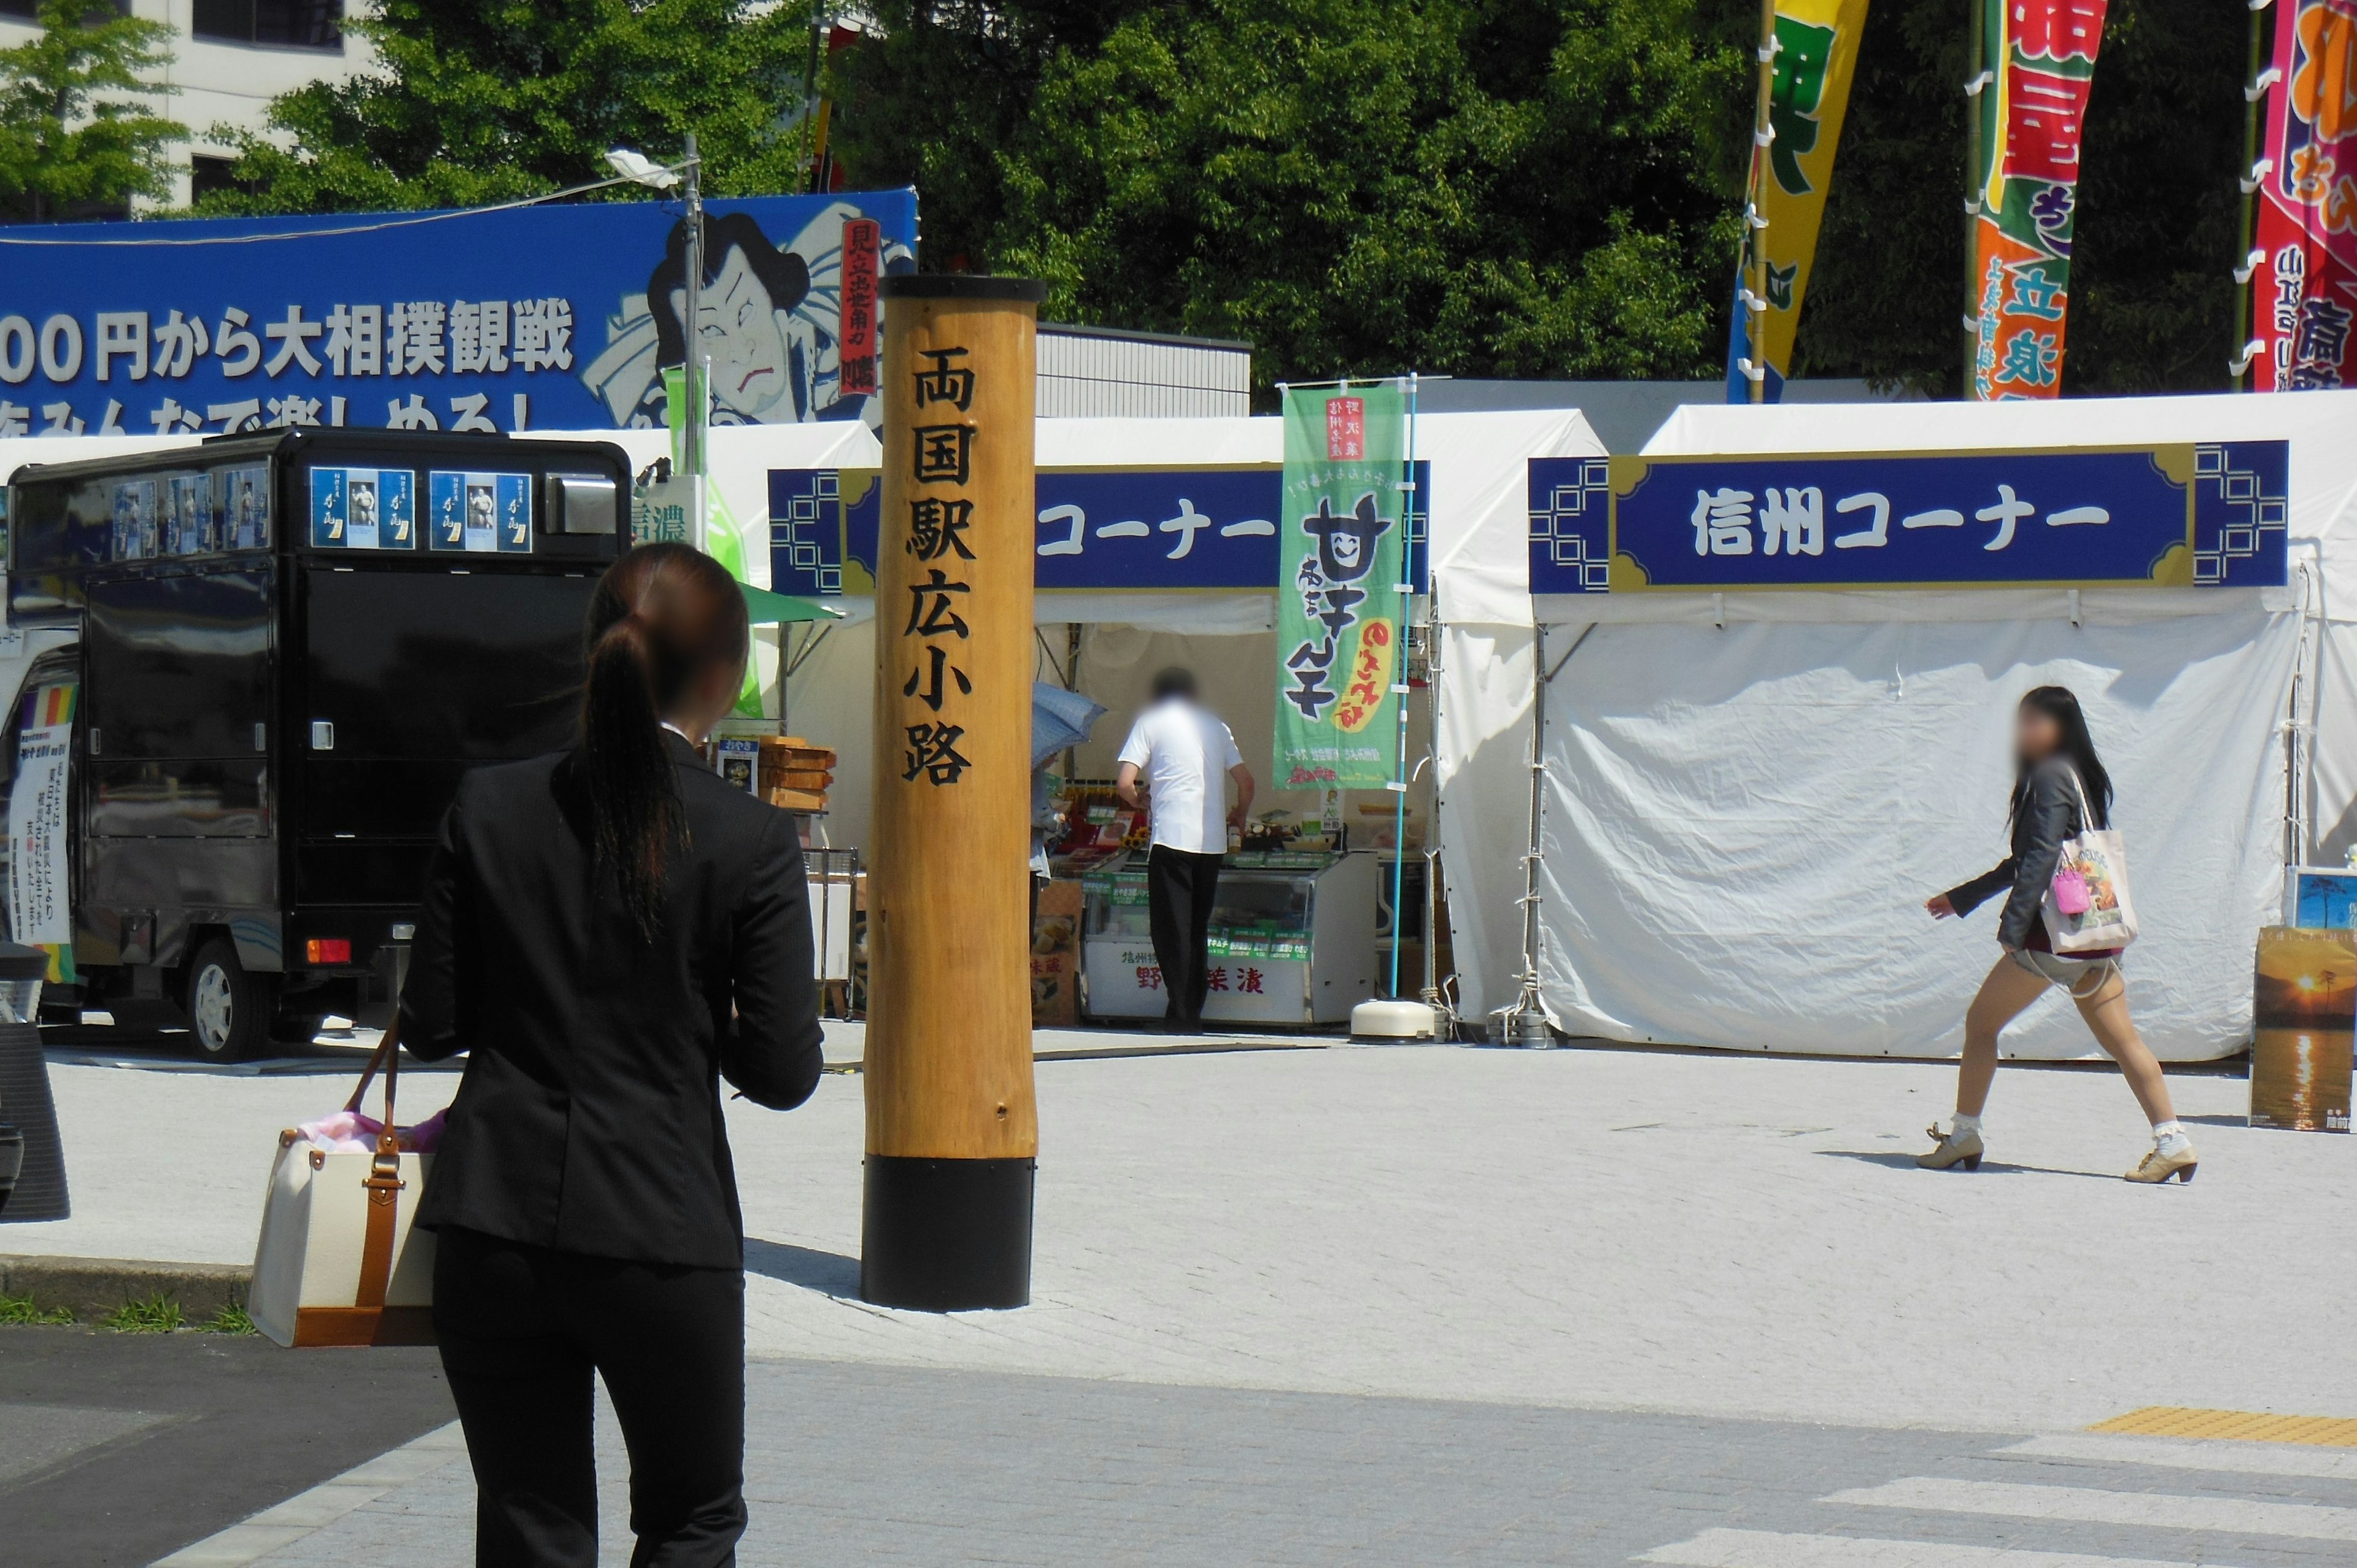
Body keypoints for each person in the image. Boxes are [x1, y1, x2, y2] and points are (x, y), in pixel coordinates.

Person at [400, 541, 826, 1566]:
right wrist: (690, 1013)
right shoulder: (750, 839)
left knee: (529, 1522)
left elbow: (434, 1022)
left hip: (494, 1224)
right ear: (726, 676)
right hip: (660, 1228)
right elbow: (783, 1072)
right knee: (690, 1521)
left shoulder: (490, 807)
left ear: (595, 652)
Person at [1919, 685, 2196, 1183]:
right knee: (2126, 1041)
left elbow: (2043, 857)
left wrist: (2013, 928)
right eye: (2023, 721)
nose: (2025, 732)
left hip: (2053, 942)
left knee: (1981, 1024)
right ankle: (2173, 1140)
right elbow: (2030, 859)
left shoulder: (2048, 776)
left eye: (2036, 722)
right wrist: (1962, 897)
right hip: (2096, 940)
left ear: (2060, 728)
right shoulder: (2079, 777)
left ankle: (1964, 1135)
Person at [1115, 667, 1254, 1029]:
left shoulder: (1151, 722)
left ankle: (1182, 1012)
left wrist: (1139, 800)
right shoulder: (1217, 726)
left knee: (1170, 928)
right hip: (1211, 843)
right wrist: (1239, 817)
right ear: (1192, 695)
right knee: (1196, 927)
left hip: (1171, 840)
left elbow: (1124, 783)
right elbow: (1246, 782)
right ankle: (1191, 1006)